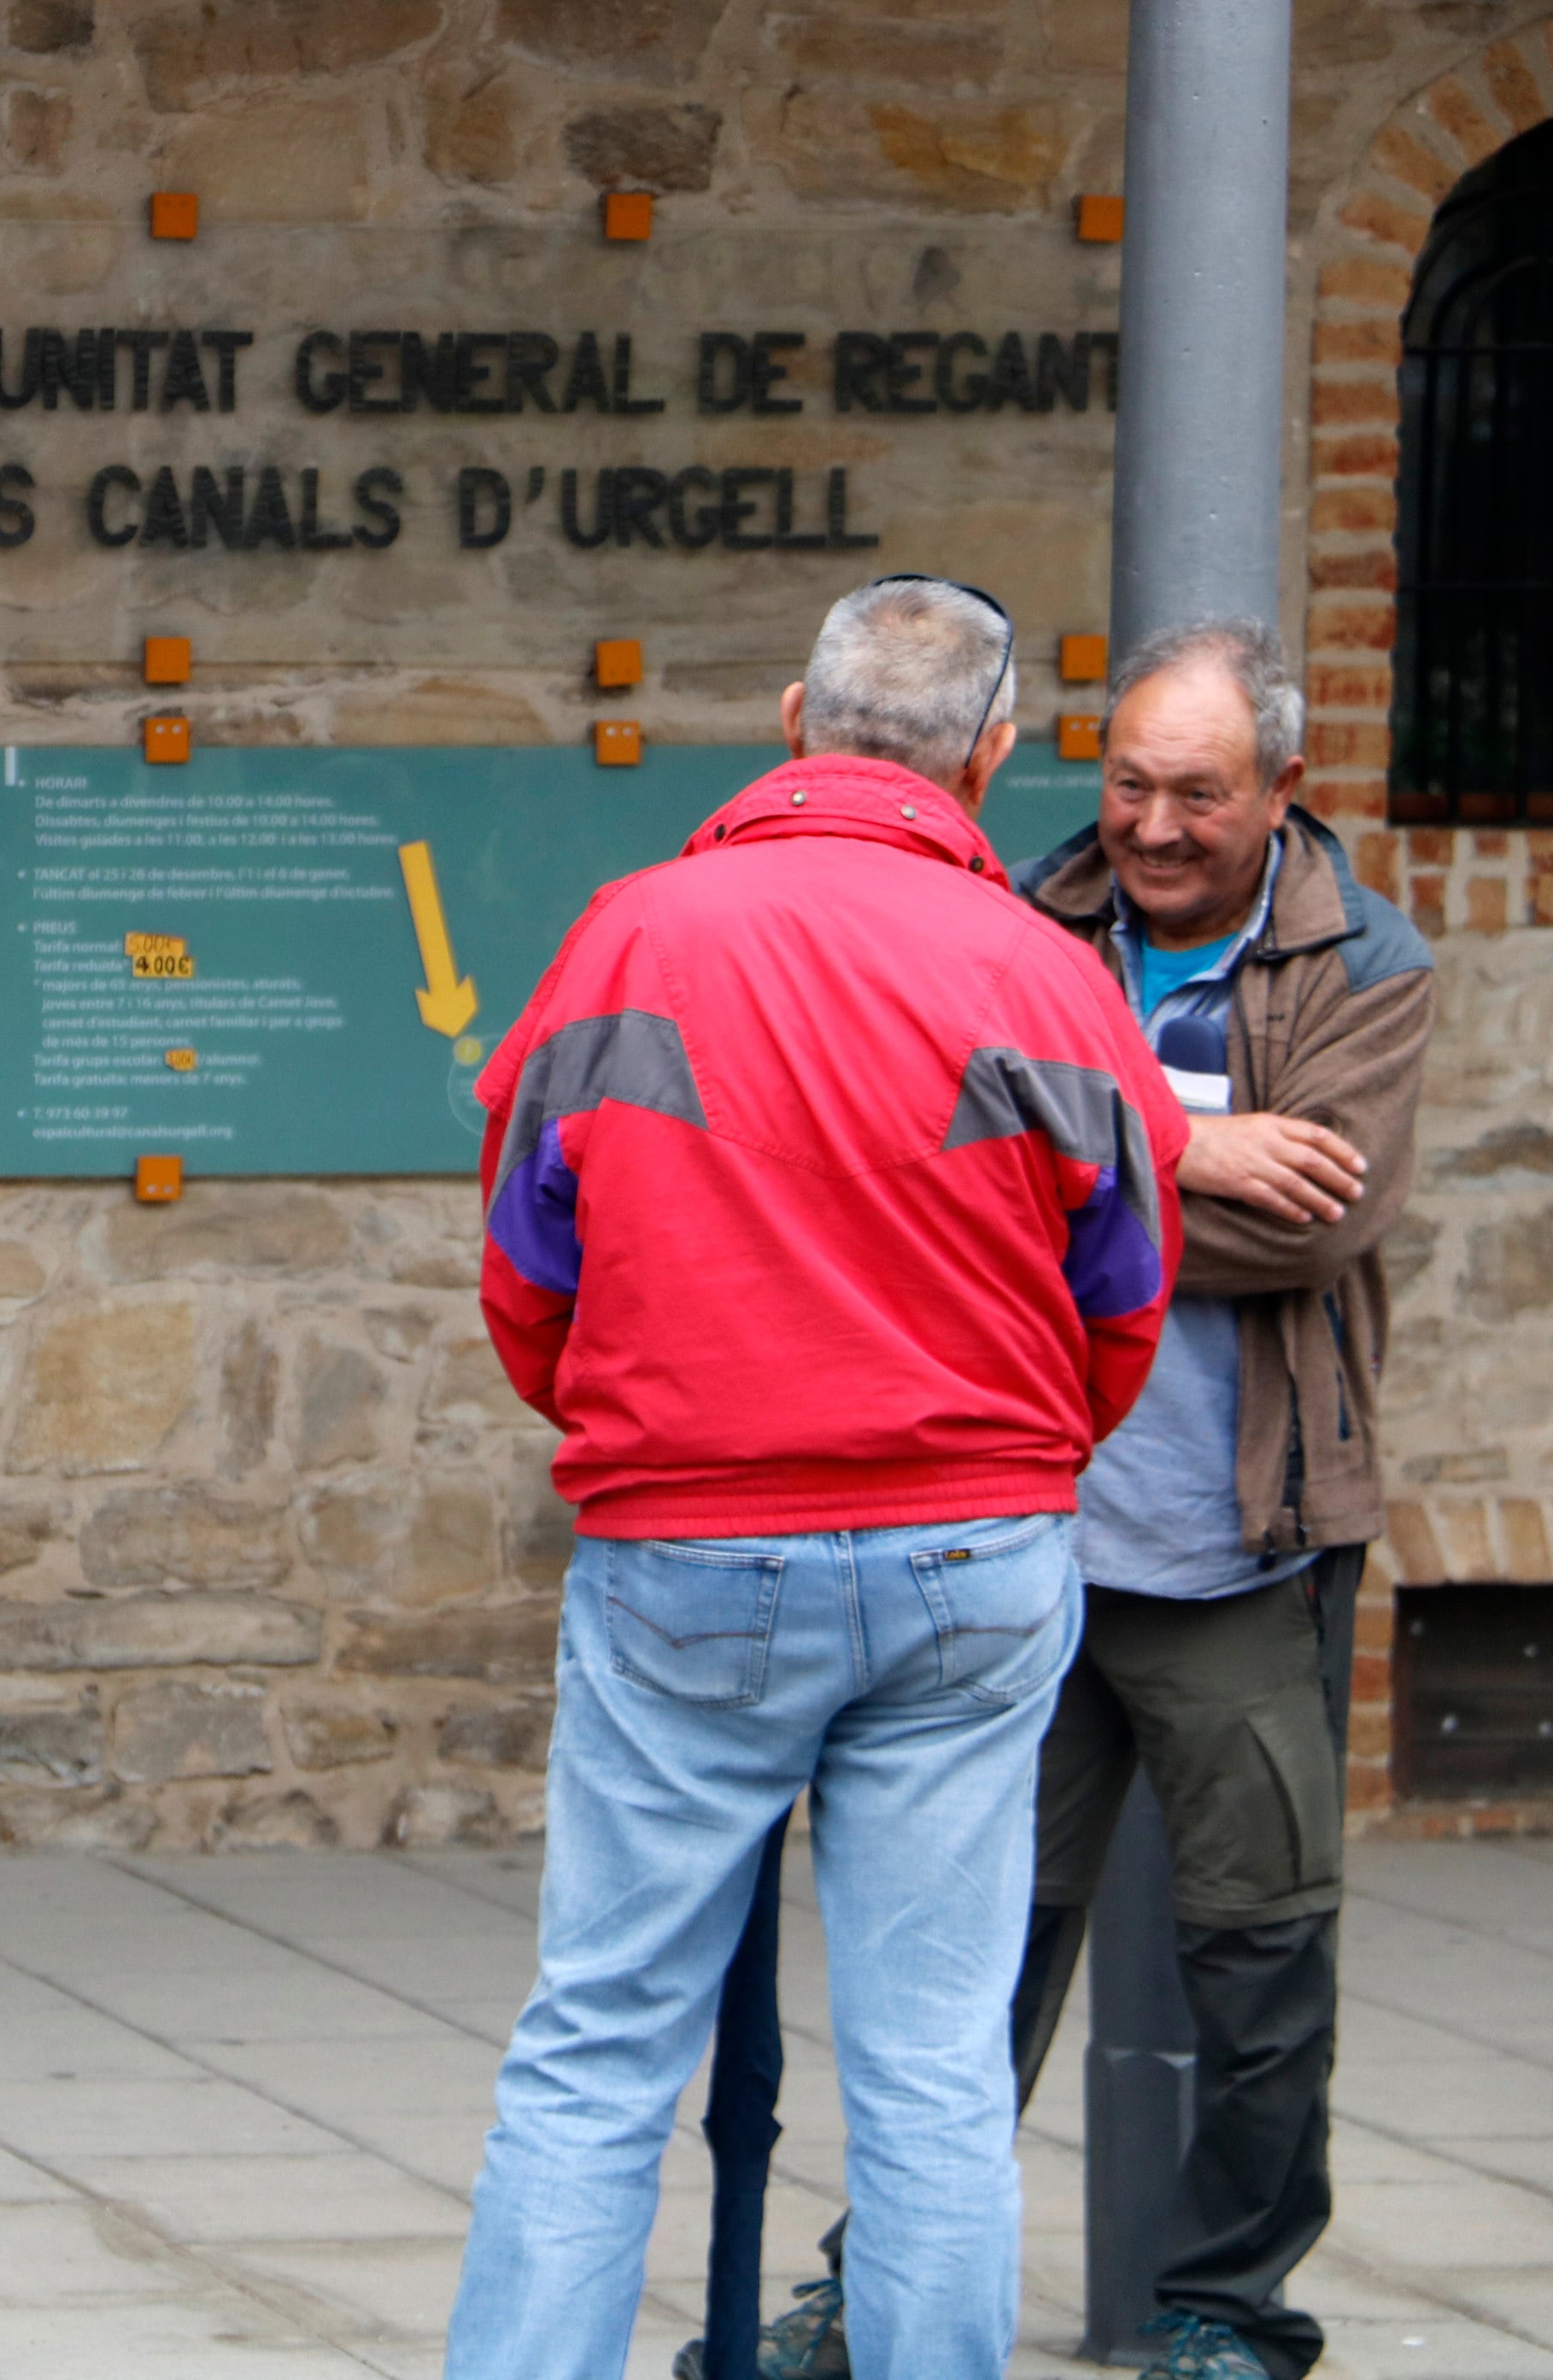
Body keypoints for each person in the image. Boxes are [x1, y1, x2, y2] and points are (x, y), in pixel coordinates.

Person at [447, 576, 1188, 2380]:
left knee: (600, 2043)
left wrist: (630, 1425)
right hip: (975, 1552)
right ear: (996, 755)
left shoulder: (634, 934)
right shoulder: (1051, 977)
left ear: (795, 716)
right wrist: (1013, 1452)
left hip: (689, 1546)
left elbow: (527, 1264)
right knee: (936, 2063)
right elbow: (1128, 1291)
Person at [752, 621, 1431, 2380]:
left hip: (1237, 1547)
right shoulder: (1018, 922)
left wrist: (1074, 1158)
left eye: (1197, 793)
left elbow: (1318, 1222)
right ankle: (879, 2283)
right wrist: (1193, 1136)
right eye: (1127, 781)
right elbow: (927, 1168)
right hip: (1022, 1534)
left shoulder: (1364, 960)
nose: (1150, 823)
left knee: (1259, 1959)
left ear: (1284, 787)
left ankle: (1225, 2307)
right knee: (969, 1957)